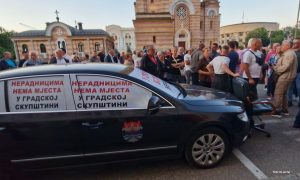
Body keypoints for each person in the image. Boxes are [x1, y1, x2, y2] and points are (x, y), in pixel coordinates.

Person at [272, 41, 298, 116]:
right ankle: (284, 110)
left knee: (278, 93)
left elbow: (286, 66)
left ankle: (276, 110)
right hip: (287, 76)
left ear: (287, 46)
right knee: (283, 94)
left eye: (283, 45)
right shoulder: (288, 53)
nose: (281, 46)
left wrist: (276, 70)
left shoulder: (289, 54)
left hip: (285, 76)